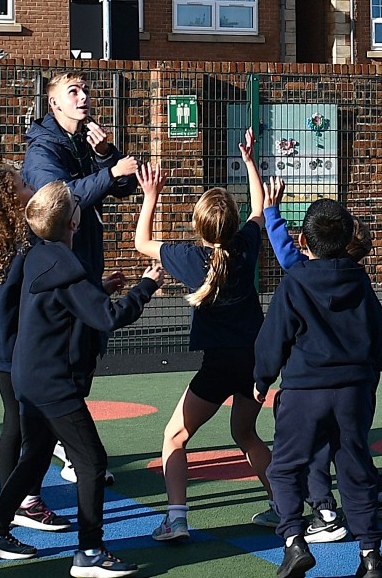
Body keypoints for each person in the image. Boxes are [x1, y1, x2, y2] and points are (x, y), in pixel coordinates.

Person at [11, 181, 162, 576]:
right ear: (72, 220)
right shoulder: (69, 267)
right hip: (52, 381)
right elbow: (109, 318)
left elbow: (67, 300)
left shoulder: (40, 256)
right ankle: (90, 552)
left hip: (27, 374)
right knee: (92, 462)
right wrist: (147, 286)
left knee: (35, 456)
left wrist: (97, 287)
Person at [135, 130, 275, 543]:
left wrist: (151, 194)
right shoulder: (247, 246)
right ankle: (284, 507)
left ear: (198, 226)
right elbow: (259, 212)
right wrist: (250, 163)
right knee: (246, 434)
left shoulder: (188, 257)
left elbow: (141, 241)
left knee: (175, 436)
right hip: (253, 363)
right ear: (232, 224)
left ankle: (176, 519)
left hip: (217, 367)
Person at [255, 198, 382, 578]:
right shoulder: (360, 281)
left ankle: (294, 541)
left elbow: (274, 338)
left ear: (302, 239)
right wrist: (371, 368)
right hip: (354, 390)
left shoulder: (295, 281)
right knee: (355, 466)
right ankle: (370, 555)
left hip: (304, 389)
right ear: (349, 237)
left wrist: (262, 377)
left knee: (284, 468)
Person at [0, 164, 71, 559]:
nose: (31, 187)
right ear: (10, 200)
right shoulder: (23, 241)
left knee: (19, 424)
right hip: (13, 347)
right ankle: (16, 508)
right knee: (28, 428)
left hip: (1, 345)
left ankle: (19, 503)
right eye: (24, 185)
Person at [22, 71, 139, 286]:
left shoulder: (88, 140)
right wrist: (111, 172)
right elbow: (59, 202)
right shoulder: (41, 150)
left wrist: (105, 155)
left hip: (88, 257)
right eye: (73, 92)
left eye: (85, 91)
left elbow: (127, 185)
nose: (83, 97)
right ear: (55, 103)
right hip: (58, 264)